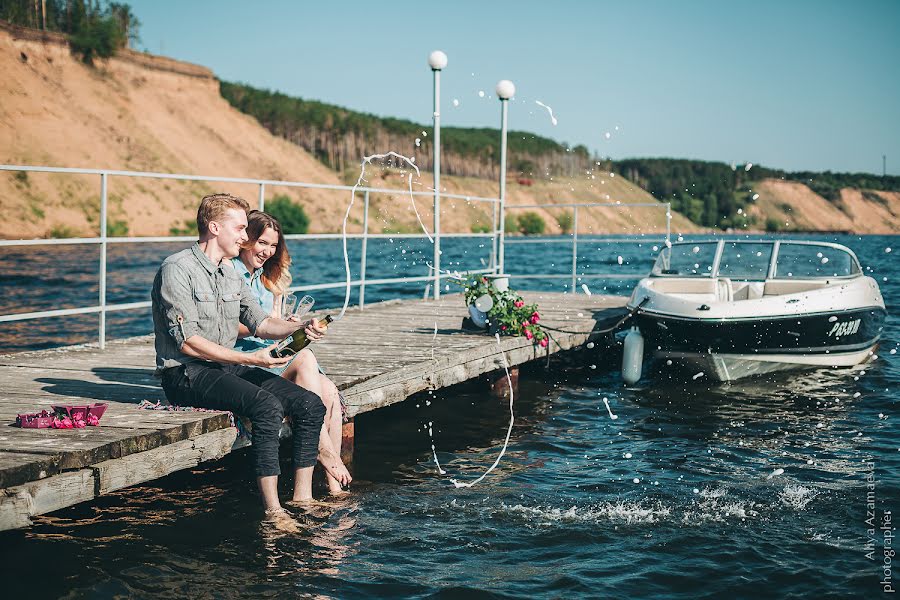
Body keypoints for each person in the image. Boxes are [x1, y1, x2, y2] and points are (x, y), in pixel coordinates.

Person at [151, 193, 349, 532]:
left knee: (310, 404)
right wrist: (249, 357)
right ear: (214, 227)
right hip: (185, 373)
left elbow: (260, 323)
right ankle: (273, 511)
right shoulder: (177, 268)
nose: (245, 237)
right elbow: (187, 341)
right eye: (240, 228)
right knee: (266, 406)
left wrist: (302, 325)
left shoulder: (229, 274)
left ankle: (302, 499)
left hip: (224, 368)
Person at [232, 210, 349, 496]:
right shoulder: (231, 273)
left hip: (271, 353)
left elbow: (270, 324)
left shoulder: (263, 276)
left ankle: (332, 488)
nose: (267, 251)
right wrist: (271, 325)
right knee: (306, 359)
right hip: (245, 360)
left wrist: (289, 326)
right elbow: (228, 327)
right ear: (246, 239)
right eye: (262, 243)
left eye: (273, 246)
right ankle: (325, 454)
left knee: (330, 392)